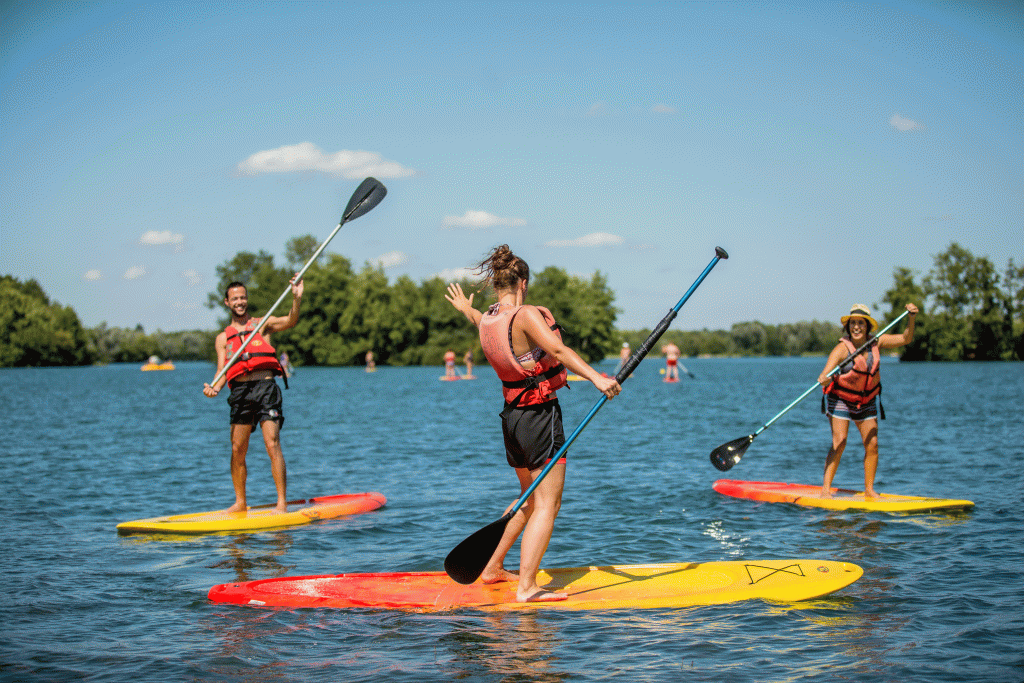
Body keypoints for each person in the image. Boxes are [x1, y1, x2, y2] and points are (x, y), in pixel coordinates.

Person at [446, 244, 621, 603]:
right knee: (547, 504)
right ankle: (527, 588)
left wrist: (467, 308)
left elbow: (479, 321)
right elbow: (558, 352)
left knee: (529, 499)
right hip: (539, 417)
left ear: (498, 285)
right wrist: (599, 379)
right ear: (522, 283)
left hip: (512, 420)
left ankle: (493, 568)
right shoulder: (525, 315)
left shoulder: (491, 318)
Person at [203, 276, 303, 513]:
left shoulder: (263, 324)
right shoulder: (222, 338)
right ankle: (240, 502)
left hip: (265, 389)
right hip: (240, 393)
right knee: (238, 449)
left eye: (243, 297)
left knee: (272, 443)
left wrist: (296, 299)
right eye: (235, 298)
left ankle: (281, 503)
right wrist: (214, 388)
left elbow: (290, 320)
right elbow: (221, 370)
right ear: (227, 302)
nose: (240, 301)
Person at [817, 303, 918, 499]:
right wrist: (824, 377)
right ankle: (826, 490)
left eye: (861, 323)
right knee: (840, 441)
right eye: (853, 323)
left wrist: (911, 318)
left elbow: (906, 339)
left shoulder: (877, 342)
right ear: (848, 327)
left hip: (866, 400)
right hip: (841, 399)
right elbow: (825, 373)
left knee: (872, 444)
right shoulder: (841, 349)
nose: (856, 327)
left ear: (867, 326)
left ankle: (869, 490)